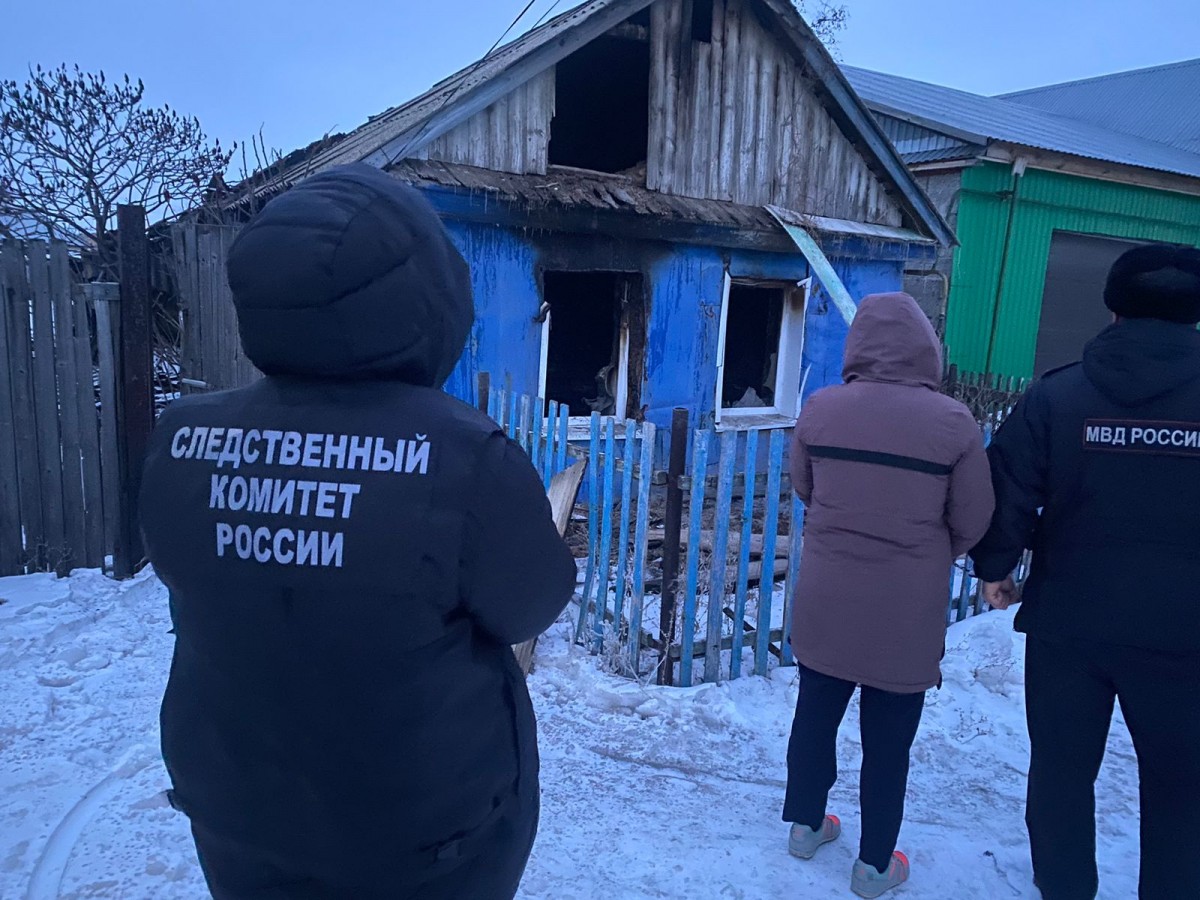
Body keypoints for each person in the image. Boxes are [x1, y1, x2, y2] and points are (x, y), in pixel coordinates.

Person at [139, 164, 577, 899]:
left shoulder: (181, 436)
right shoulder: (463, 455)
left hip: (238, 811)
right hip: (420, 836)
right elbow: (531, 603)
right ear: (427, 297)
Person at [970, 245, 1200, 900]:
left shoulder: (1059, 394)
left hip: (1070, 624)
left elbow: (1008, 486)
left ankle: (1065, 887)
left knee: (1062, 774)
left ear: (1112, 307)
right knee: (1182, 787)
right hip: (1185, 635)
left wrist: (996, 566)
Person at [784, 292, 995, 899]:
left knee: (814, 716)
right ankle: (875, 865)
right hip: (906, 606)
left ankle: (805, 827)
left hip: (828, 593)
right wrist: (930, 551)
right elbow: (973, 518)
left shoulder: (821, 410)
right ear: (926, 349)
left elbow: (805, 487)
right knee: (889, 742)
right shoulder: (953, 422)